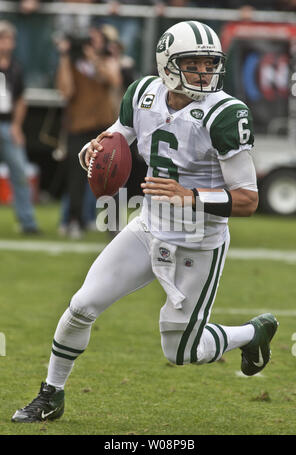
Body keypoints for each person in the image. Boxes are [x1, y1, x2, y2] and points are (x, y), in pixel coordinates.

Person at [12, 21, 278, 423]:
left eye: (210, 64)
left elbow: (248, 199)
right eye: (194, 64)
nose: (205, 73)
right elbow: (118, 135)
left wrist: (188, 195)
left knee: (182, 351)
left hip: (198, 240)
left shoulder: (226, 114)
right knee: (82, 305)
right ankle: (51, 394)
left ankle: (251, 333)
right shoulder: (143, 93)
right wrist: (93, 148)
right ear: (167, 65)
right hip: (148, 226)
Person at [55, 24, 122, 238]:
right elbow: (66, 91)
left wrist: (93, 57)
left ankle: (113, 224)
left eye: (93, 41)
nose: (89, 45)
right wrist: (66, 57)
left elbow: (114, 80)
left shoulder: (107, 59)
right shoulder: (71, 65)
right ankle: (75, 220)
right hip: (78, 126)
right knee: (75, 177)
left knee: (112, 176)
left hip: (104, 127)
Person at [0, 20, 40, 234]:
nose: (7, 44)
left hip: (7, 125)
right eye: (3, 39)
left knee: (21, 173)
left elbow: (20, 100)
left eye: (9, 39)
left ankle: (28, 222)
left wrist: (17, 126)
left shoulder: (15, 67)